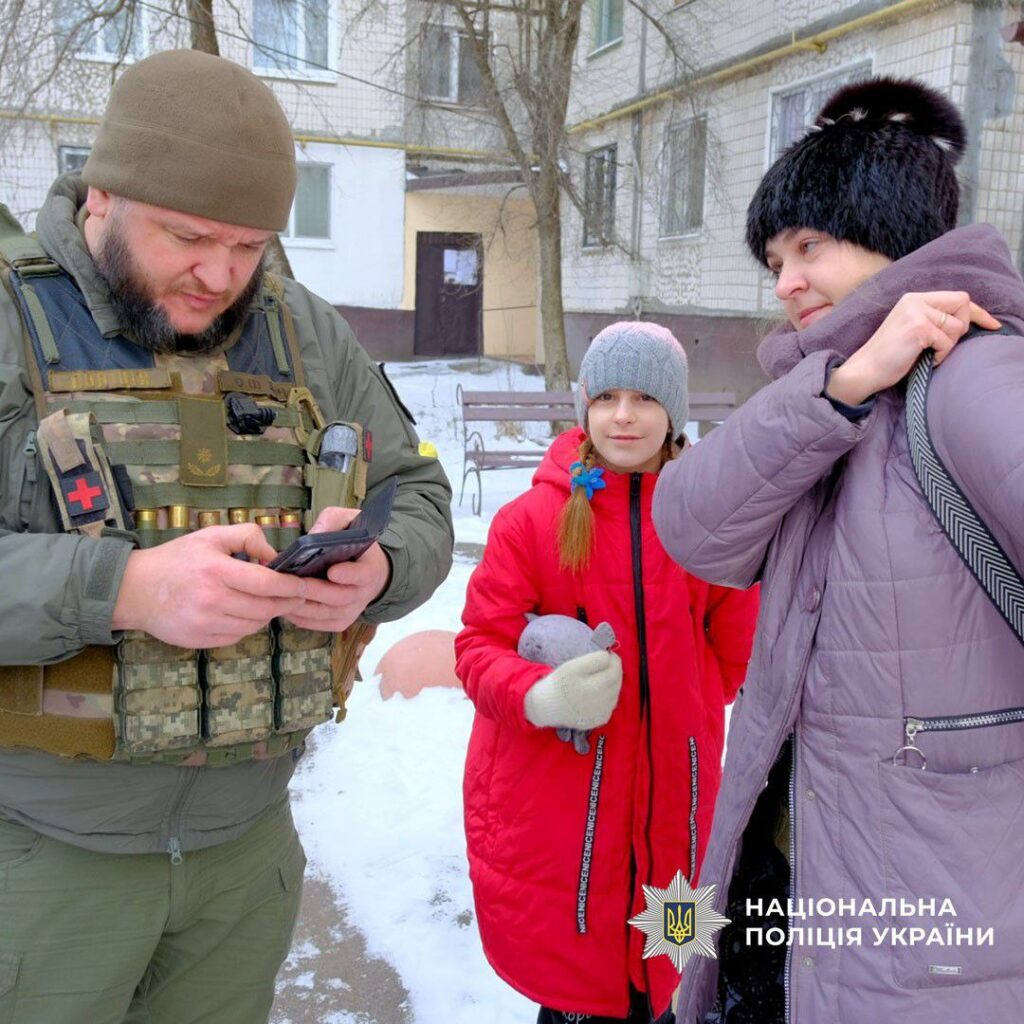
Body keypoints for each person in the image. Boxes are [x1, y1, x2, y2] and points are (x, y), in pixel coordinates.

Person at [0, 50, 453, 1023]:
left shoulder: (302, 332)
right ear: (102, 198)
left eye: (250, 246)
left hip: (243, 861)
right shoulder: (9, 317)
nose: (221, 274)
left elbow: (414, 490)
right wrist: (119, 589)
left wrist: (374, 568)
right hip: (36, 858)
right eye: (189, 236)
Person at [652, 76, 1024, 1024]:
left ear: (889, 232)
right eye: (773, 258)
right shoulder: (837, 390)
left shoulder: (978, 375)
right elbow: (692, 525)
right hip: (792, 856)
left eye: (808, 247)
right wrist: (846, 385)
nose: (784, 282)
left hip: (931, 906)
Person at [456, 322, 759, 1024]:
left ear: (674, 411)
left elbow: (734, 647)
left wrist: (684, 708)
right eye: (609, 397)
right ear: (585, 405)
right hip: (562, 813)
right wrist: (538, 694)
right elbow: (478, 649)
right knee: (578, 980)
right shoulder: (531, 521)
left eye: (647, 398)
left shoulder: (705, 521)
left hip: (678, 801)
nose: (625, 416)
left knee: (673, 963)